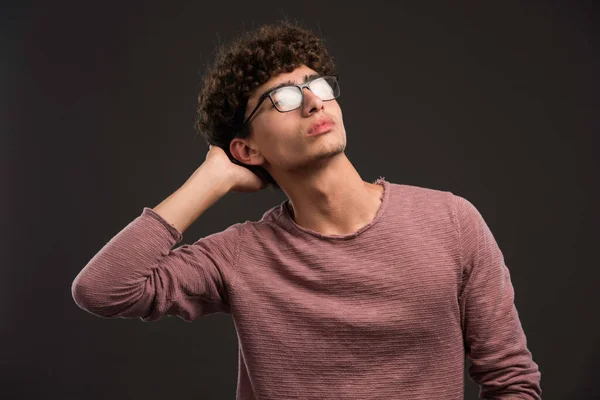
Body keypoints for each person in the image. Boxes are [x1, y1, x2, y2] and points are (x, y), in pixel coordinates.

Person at [71, 20, 542, 400]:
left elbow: (512, 382)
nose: (313, 101)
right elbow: (102, 289)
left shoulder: (452, 221)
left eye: (316, 84)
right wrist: (210, 179)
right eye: (283, 98)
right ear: (247, 150)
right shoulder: (239, 256)